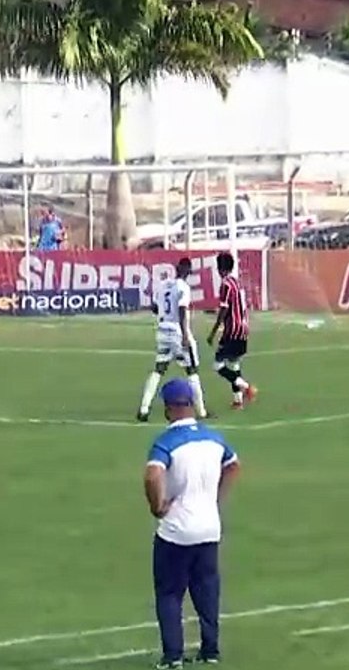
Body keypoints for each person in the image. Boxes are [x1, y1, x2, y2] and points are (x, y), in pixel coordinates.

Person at [145, 378, 240, 668]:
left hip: (176, 531)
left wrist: (158, 506)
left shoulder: (166, 442)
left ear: (169, 407)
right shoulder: (214, 438)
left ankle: (173, 655)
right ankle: (210, 650)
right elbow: (233, 465)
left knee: (170, 593)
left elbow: (152, 475)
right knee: (207, 589)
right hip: (209, 527)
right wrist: (216, 500)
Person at [138, 258, 208, 422]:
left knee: (158, 369)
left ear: (176, 269)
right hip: (177, 331)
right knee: (192, 370)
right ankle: (202, 412)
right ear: (188, 272)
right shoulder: (183, 287)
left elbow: (154, 307)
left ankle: (143, 409)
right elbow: (182, 309)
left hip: (162, 330)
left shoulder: (163, 285)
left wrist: (163, 311)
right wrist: (184, 334)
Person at [206, 252, 257, 409]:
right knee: (234, 364)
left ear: (220, 269)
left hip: (232, 331)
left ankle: (247, 388)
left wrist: (213, 332)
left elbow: (224, 310)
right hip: (243, 329)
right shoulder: (237, 283)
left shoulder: (226, 285)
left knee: (218, 365)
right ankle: (238, 401)